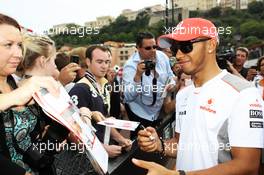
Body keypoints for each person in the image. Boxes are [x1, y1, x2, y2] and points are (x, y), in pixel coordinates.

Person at [133, 18, 264, 175]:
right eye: (175, 48)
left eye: (186, 46)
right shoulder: (183, 95)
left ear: (211, 45)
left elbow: (247, 166)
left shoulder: (243, 94)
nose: (179, 54)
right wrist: (159, 144)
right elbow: (182, 145)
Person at [0, 13, 61, 175]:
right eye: (8, 45)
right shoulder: (20, 90)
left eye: (19, 45)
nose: (18, 54)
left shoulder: (13, 83)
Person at [69, 45, 132, 158]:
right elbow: (75, 132)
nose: (104, 66)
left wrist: (121, 139)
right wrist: (103, 149)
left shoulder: (105, 84)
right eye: (99, 62)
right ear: (88, 61)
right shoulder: (80, 88)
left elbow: (104, 119)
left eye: (107, 62)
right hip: (85, 158)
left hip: (100, 152)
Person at [122, 32, 175, 137]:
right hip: (139, 114)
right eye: (148, 48)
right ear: (138, 48)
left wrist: (172, 84)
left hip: (159, 112)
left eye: (154, 47)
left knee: (159, 145)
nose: (153, 51)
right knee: (141, 148)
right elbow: (127, 97)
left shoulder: (163, 57)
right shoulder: (130, 66)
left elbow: (170, 76)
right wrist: (137, 76)